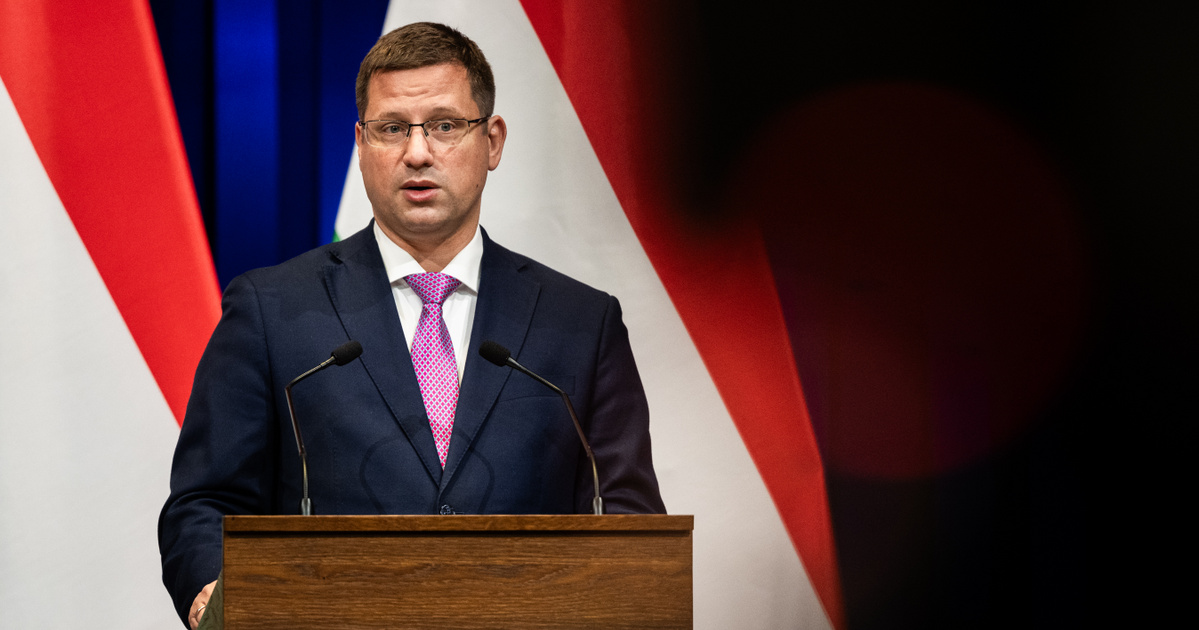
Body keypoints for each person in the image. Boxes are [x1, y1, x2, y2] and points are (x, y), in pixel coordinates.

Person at [158, 22, 665, 629]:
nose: (418, 153)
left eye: (445, 125)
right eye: (392, 128)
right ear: (361, 143)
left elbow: (625, 512)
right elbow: (205, 501)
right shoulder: (271, 310)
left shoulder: (581, 322)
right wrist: (213, 599)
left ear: (493, 141)